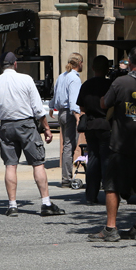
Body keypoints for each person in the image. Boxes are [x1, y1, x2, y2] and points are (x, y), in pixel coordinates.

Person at [89, 46, 136, 242]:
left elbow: (105, 103)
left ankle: (111, 228)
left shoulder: (120, 82)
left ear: (129, 62)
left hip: (120, 144)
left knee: (111, 185)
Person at [0, 52, 65, 217]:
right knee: (37, 163)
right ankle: (46, 203)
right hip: (26, 125)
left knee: (10, 165)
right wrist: (47, 128)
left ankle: (12, 205)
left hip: (6, 126)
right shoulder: (26, 79)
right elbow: (37, 108)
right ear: (15, 64)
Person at [77, 55, 113, 205]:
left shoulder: (86, 85)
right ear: (107, 69)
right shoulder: (111, 85)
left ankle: (91, 195)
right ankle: (110, 191)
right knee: (106, 159)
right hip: (106, 125)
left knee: (92, 159)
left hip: (90, 125)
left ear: (92, 68)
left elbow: (82, 107)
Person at [51, 52, 83, 188]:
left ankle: (65, 176)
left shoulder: (61, 76)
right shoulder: (74, 78)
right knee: (70, 145)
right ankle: (66, 178)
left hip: (61, 113)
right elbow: (73, 100)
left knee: (66, 145)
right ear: (79, 63)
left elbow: (55, 93)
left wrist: (51, 107)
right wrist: (78, 117)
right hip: (70, 114)